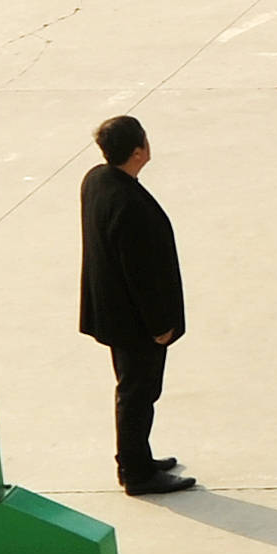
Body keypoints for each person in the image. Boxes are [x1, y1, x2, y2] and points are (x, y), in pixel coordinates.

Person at [80, 115, 190, 496]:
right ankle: (137, 472)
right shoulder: (129, 205)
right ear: (139, 150)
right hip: (135, 322)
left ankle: (137, 457)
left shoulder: (97, 180)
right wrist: (160, 324)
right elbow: (140, 275)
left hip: (112, 311)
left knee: (135, 390)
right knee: (138, 393)